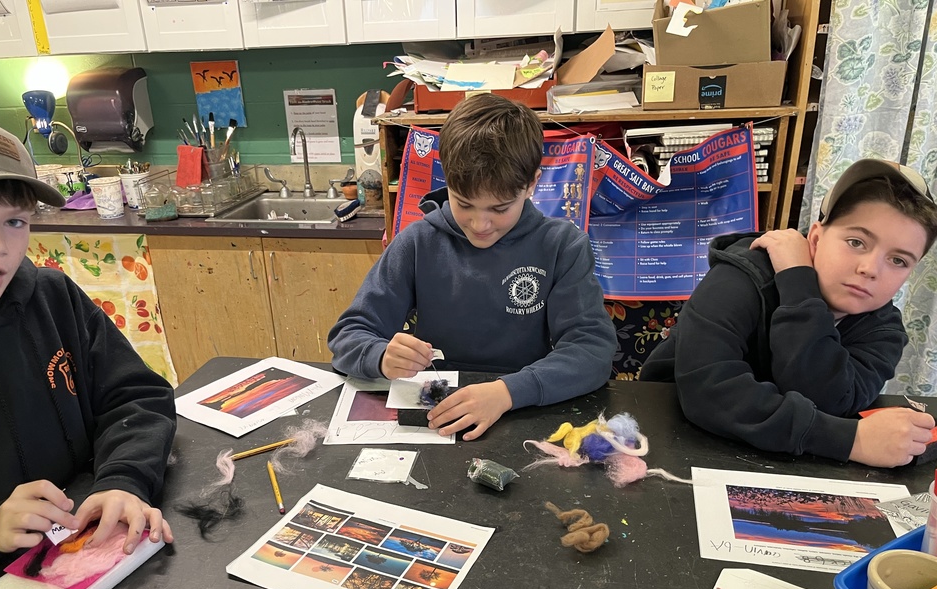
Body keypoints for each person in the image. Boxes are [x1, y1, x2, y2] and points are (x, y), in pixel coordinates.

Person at [0, 113, 177, 589]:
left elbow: (135, 396)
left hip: (95, 567)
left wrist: (121, 480)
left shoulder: (53, 298)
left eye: (15, 221)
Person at [328, 94, 616, 440]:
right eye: (464, 204)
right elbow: (348, 335)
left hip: (520, 410)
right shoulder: (417, 243)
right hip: (434, 412)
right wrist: (379, 356)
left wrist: (507, 392)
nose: (480, 224)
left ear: (532, 184)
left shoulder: (562, 246)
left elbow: (592, 350)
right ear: (447, 180)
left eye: (499, 208)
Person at [641, 159, 937, 467]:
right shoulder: (742, 277)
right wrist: (852, 440)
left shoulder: (884, 330)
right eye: (856, 242)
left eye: (899, 261)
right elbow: (707, 392)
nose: (869, 269)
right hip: (672, 437)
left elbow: (828, 403)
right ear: (817, 238)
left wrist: (801, 292)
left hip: (784, 458)